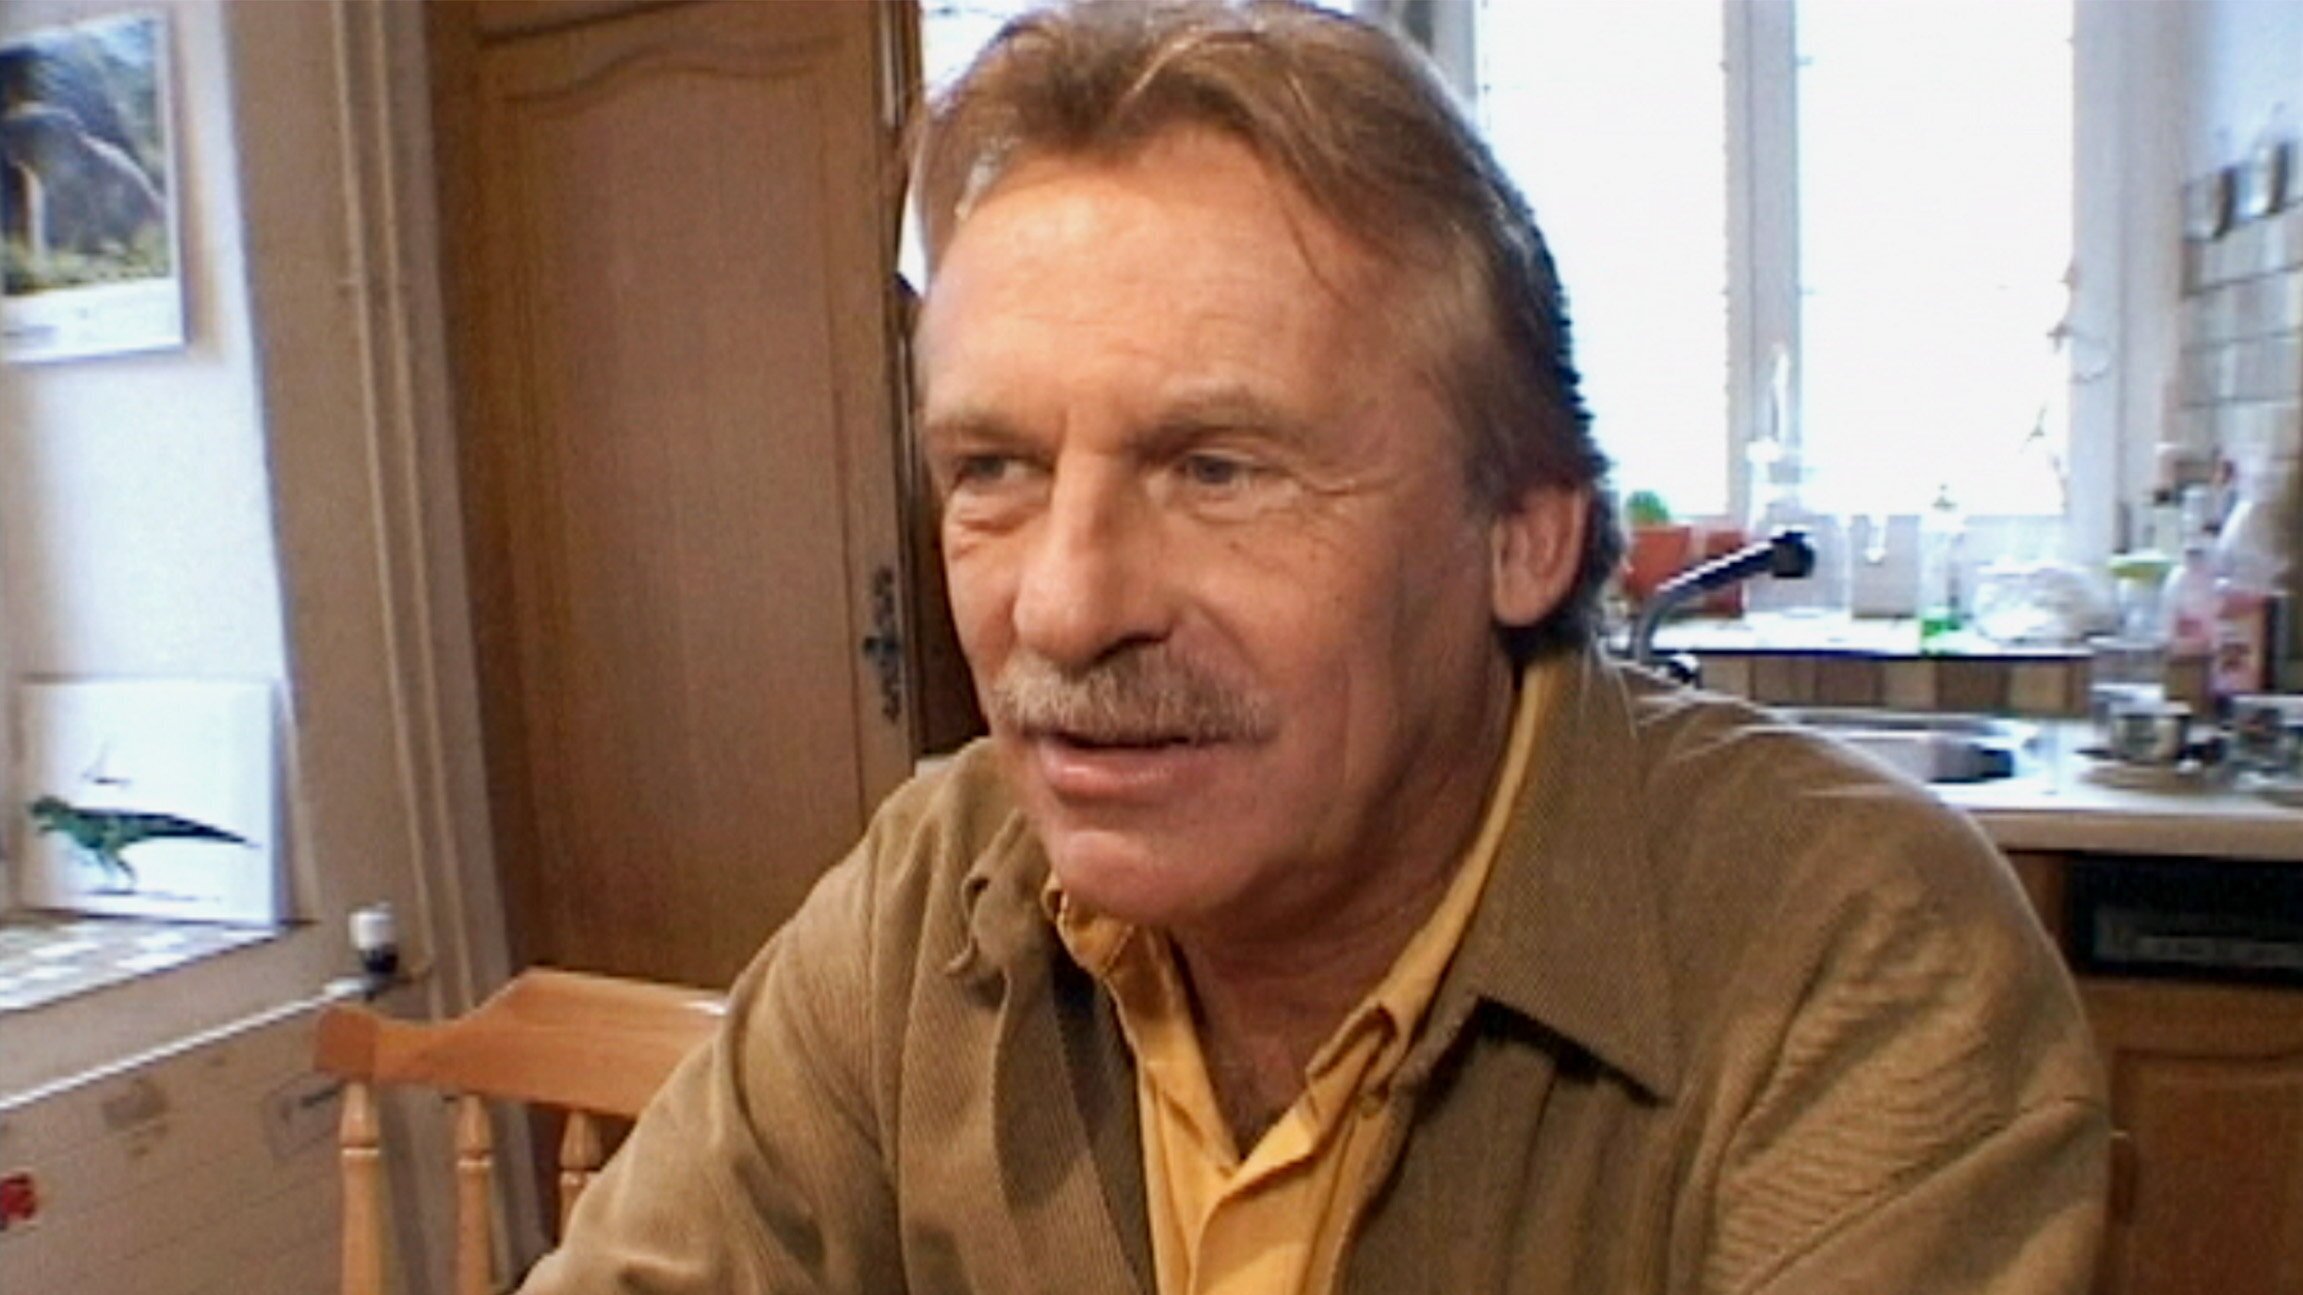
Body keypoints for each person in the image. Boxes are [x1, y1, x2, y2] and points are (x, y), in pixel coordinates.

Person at [519, 2, 2107, 1291]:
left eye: (1219, 470)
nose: (1061, 610)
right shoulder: (931, 894)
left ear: (1524, 530)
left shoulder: (1857, 965)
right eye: (993, 468)